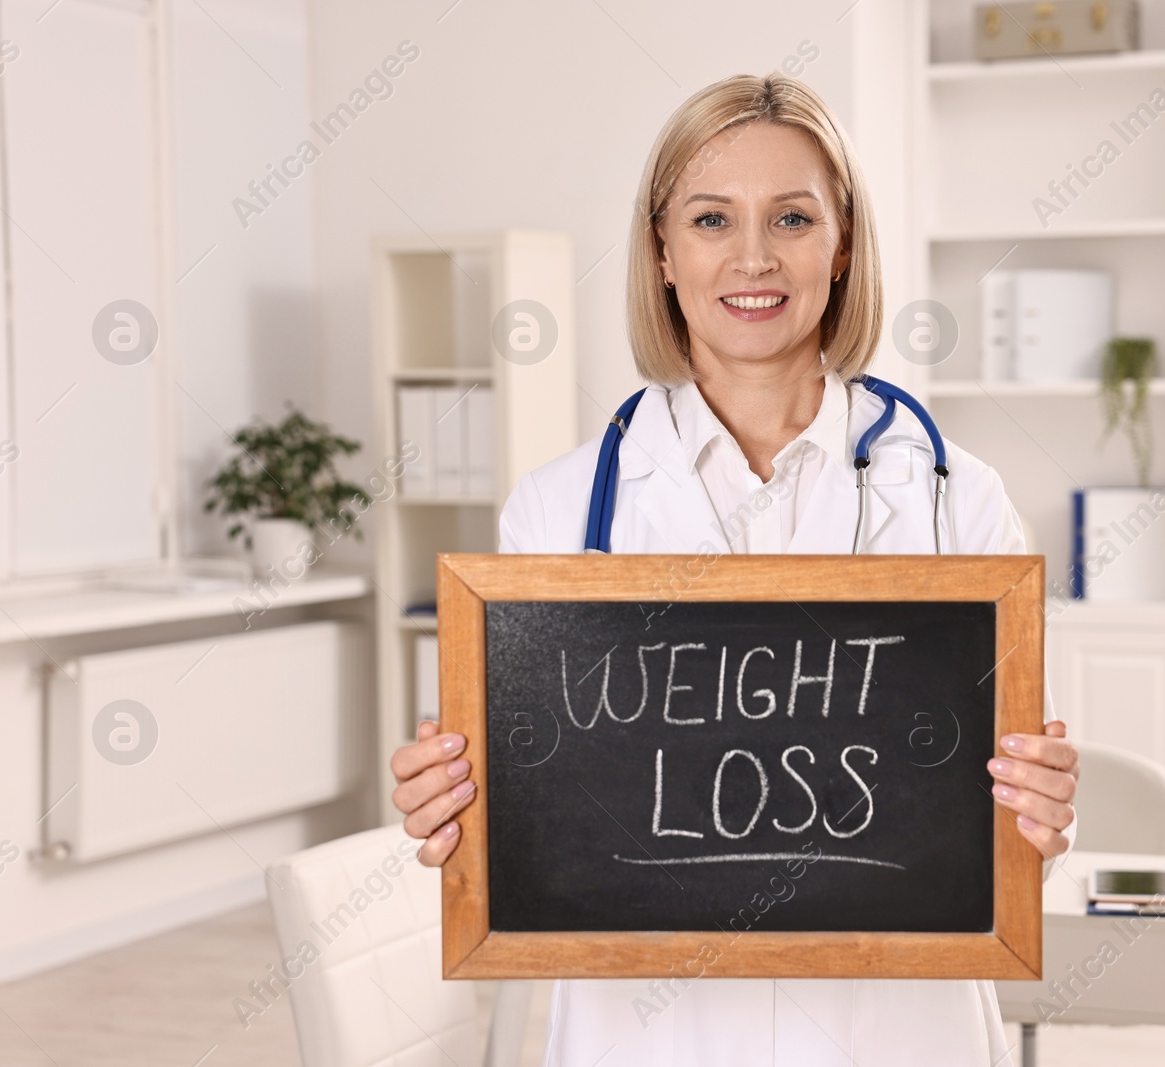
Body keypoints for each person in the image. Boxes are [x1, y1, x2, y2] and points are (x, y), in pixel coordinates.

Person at [390, 71, 1079, 1066]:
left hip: (892, 1033)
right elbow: (525, 836)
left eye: (792, 216)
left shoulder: (953, 499)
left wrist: (1040, 819)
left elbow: (1002, 841)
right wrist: (453, 810)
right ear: (662, 252)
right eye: (711, 218)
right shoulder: (554, 512)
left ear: (842, 245)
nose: (753, 255)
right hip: (651, 1035)